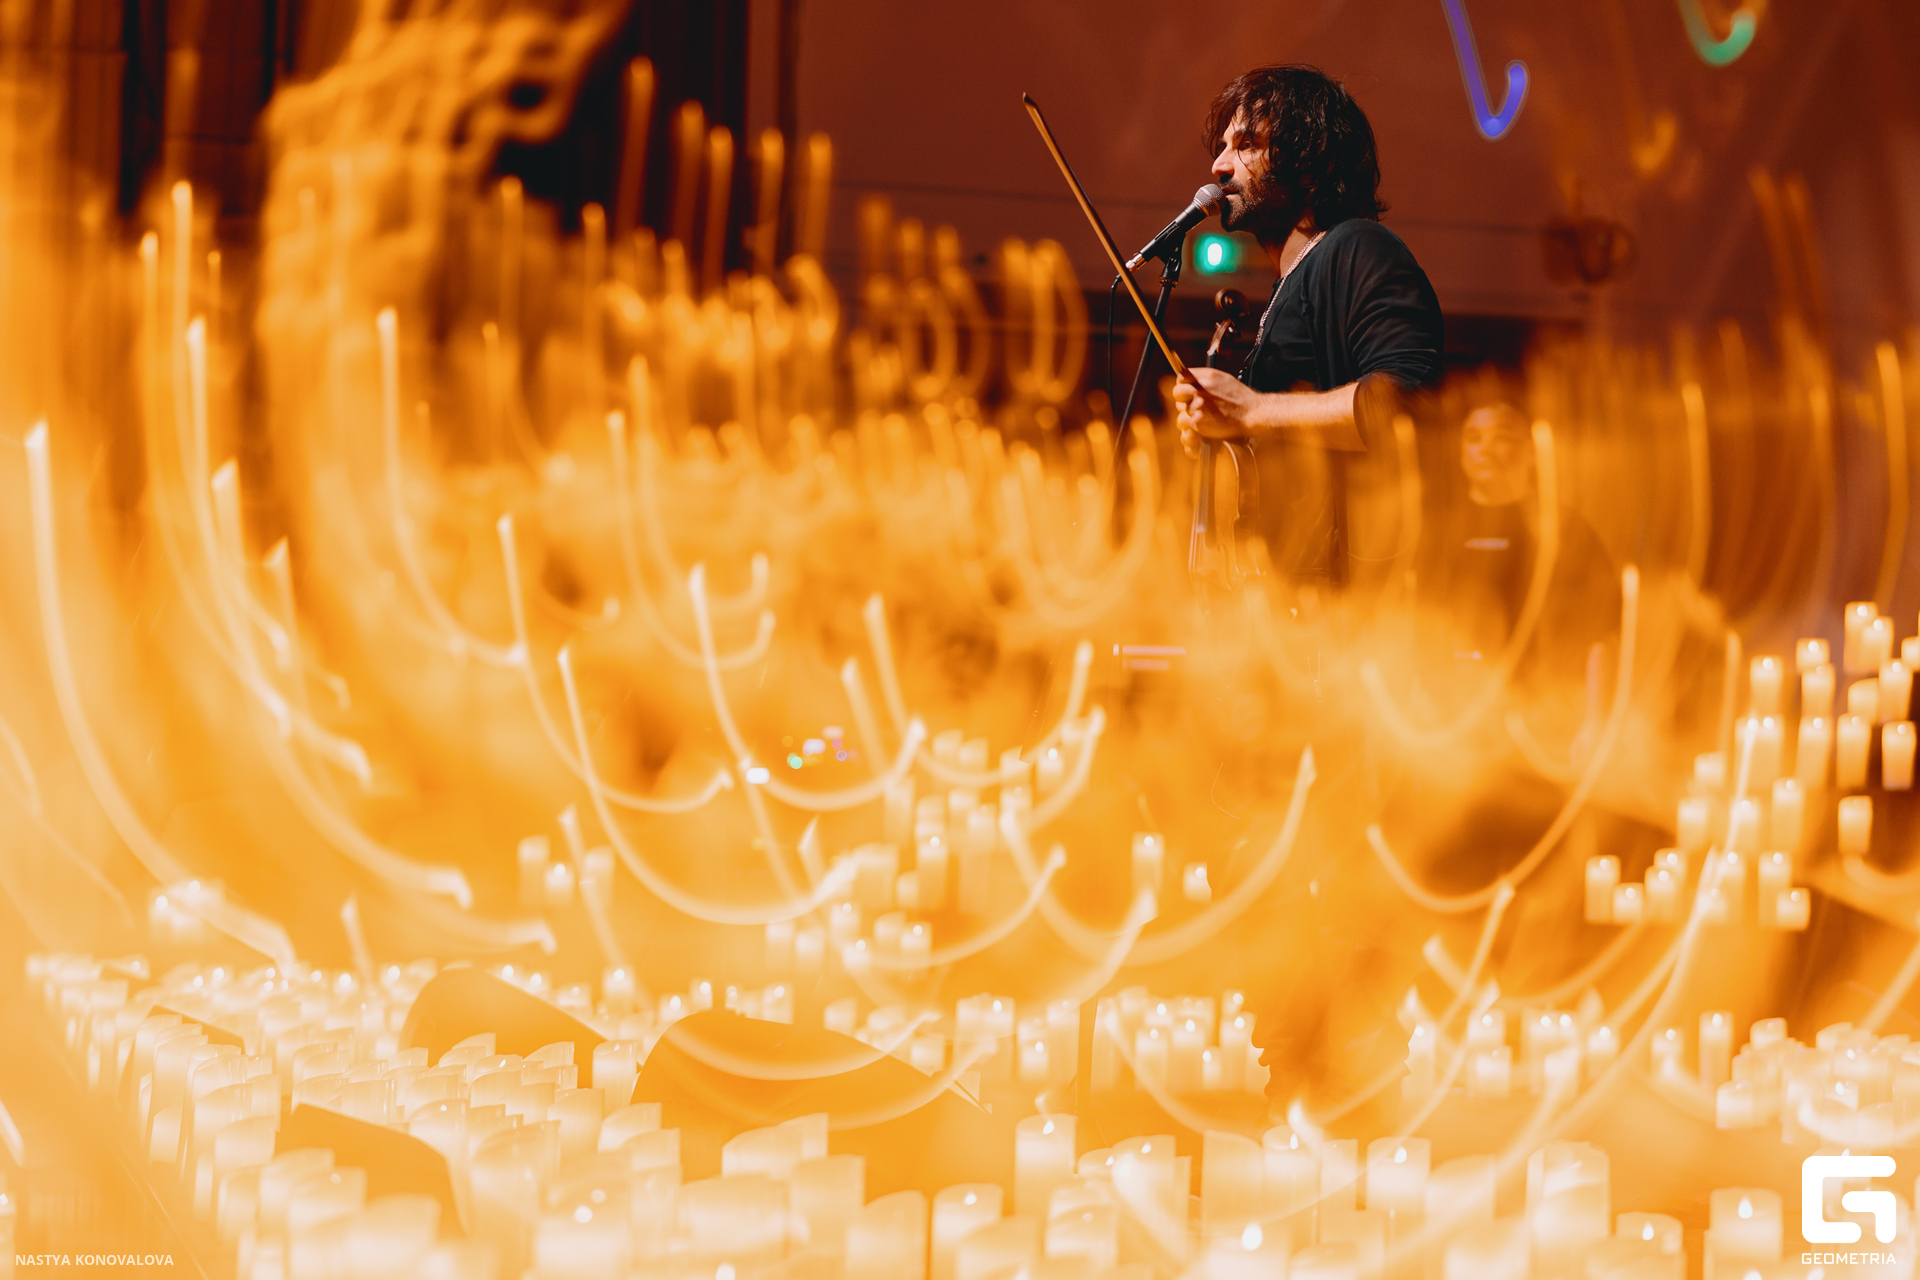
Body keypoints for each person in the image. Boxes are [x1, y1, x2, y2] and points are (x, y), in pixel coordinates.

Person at [1172, 65, 1444, 584]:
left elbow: (1408, 407)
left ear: (1311, 166)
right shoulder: (1290, 283)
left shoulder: (1358, 247)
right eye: (1223, 146)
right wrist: (1226, 440)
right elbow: (1292, 446)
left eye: (1246, 144)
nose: (1219, 166)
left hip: (1348, 606)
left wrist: (1250, 409)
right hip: (1284, 601)